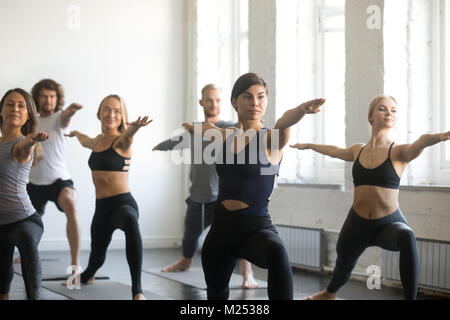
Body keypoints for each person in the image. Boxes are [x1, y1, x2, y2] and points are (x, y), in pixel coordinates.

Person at [291, 95, 450, 300]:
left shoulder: (400, 152)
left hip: (388, 224)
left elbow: (420, 142)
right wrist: (309, 145)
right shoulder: (359, 150)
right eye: (383, 109)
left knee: (406, 235)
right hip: (357, 223)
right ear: (371, 117)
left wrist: (439, 136)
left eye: (393, 110)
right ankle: (328, 294)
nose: (389, 113)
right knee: (343, 265)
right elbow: (334, 151)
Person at [183, 73, 325, 300]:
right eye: (247, 97)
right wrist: (194, 128)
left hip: (255, 227)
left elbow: (284, 121)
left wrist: (301, 110)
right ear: (235, 101)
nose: (255, 102)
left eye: (260, 97)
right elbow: (213, 130)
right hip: (221, 229)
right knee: (216, 296)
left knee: (277, 253)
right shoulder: (226, 135)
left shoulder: (271, 139)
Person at [153, 84, 259, 289]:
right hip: (198, 195)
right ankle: (185, 261)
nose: (214, 104)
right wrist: (160, 146)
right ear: (201, 102)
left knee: (239, 233)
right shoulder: (194, 129)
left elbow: (244, 130)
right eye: (209, 100)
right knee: (190, 234)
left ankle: (248, 273)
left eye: (218, 100)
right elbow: (178, 141)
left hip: (223, 196)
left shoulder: (228, 126)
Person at [66, 94, 151, 300]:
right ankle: (86, 276)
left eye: (116, 111)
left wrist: (135, 127)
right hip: (102, 209)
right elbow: (86, 141)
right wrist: (76, 133)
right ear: (99, 113)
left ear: (122, 116)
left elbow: (128, 135)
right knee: (97, 258)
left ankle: (137, 291)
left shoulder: (123, 141)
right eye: (106, 109)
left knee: (130, 221)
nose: (110, 114)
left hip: (123, 203)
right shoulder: (97, 141)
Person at [19, 79, 82, 268]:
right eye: (44, 96)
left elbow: (65, 119)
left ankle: (75, 264)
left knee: (70, 203)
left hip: (59, 181)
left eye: (52, 96)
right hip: (33, 183)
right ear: (37, 98)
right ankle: (24, 255)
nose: (48, 100)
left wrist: (71, 111)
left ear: (57, 99)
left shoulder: (59, 119)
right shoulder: (30, 122)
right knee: (24, 226)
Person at [0, 88, 49, 300]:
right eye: (10, 104)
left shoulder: (22, 144)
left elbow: (23, 148)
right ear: (1, 110)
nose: (15, 109)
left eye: (21, 106)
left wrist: (31, 141)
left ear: (28, 114)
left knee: (27, 239)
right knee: (2, 276)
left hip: (25, 219)